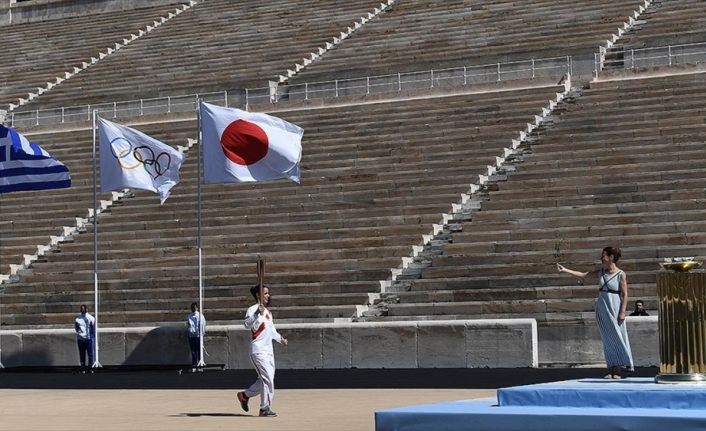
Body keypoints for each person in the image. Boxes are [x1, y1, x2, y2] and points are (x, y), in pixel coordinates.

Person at [557, 246, 634, 379]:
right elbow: (583, 275)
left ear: (611, 257)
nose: (601, 258)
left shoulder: (621, 274)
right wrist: (565, 270)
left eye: (604, 255)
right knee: (607, 339)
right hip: (602, 306)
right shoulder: (601, 273)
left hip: (615, 306)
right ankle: (611, 368)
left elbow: (625, 294)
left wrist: (622, 312)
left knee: (617, 336)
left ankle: (619, 368)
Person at [237, 285, 288, 417]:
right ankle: (264, 408)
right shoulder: (252, 309)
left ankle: (244, 395)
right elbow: (246, 324)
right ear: (259, 295)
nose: (268, 296)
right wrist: (255, 314)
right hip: (258, 351)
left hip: (269, 352)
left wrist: (280, 339)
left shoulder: (268, 313)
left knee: (264, 380)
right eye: (265, 293)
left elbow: (272, 331)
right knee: (267, 379)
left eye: (268, 293)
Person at [74, 304, 95, 372]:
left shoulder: (91, 318)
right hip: (80, 339)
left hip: (88, 338)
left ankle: (90, 368)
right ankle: (82, 367)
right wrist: (80, 334)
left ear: (87, 309)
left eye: (84, 309)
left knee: (90, 354)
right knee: (82, 353)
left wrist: (92, 336)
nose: (83, 310)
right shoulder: (77, 319)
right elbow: (76, 329)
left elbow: (93, 328)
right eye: (82, 309)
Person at [187, 302, 206, 372]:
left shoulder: (201, 316)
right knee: (193, 351)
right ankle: (194, 365)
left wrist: (202, 334)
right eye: (192, 307)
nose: (193, 309)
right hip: (191, 336)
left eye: (194, 307)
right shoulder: (189, 316)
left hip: (198, 336)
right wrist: (189, 332)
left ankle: (200, 365)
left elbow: (203, 326)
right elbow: (188, 325)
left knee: (199, 351)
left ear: (197, 308)